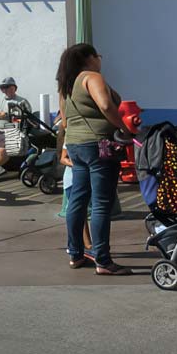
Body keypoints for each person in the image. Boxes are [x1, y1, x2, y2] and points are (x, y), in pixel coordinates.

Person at [58, 42, 131, 276]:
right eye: (98, 55)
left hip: (76, 145)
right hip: (100, 144)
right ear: (89, 58)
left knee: (78, 200)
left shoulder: (66, 85)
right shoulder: (92, 76)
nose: (100, 59)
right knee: (101, 203)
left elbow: (65, 119)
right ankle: (103, 260)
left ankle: (75, 254)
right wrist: (124, 129)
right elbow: (106, 105)